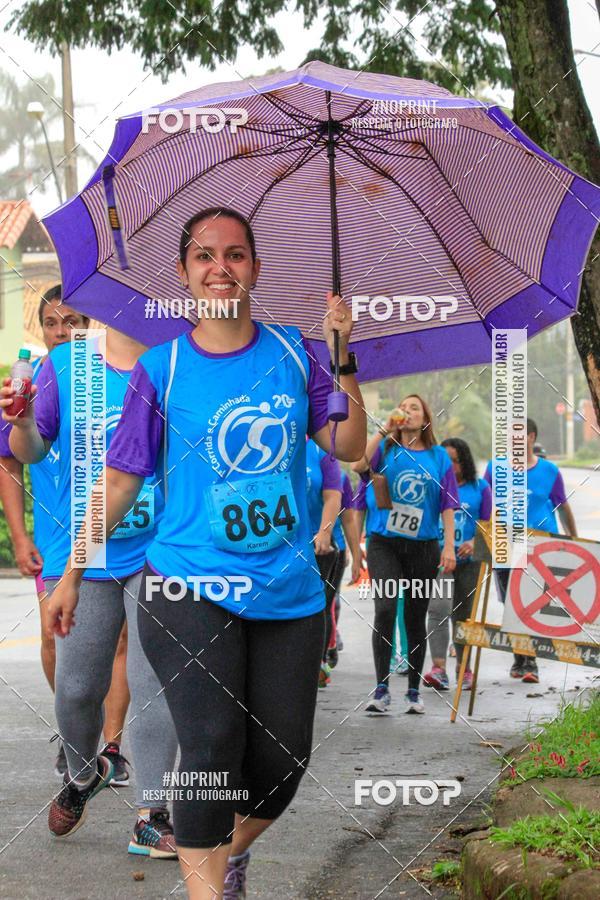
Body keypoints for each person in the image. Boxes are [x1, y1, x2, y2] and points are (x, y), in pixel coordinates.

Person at [38, 207, 366, 899]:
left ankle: (224, 852)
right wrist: (72, 573)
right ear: (186, 273)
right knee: (212, 746)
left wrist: (343, 354)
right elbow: (121, 478)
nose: (221, 267)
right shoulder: (163, 368)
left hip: (288, 590)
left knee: (280, 765)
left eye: (236, 255)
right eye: (205, 255)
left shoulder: (292, 352)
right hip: (186, 586)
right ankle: (207, 889)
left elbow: (348, 447)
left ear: (255, 267)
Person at [2, 325, 179, 858]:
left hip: (163, 546)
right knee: (77, 688)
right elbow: (28, 452)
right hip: (80, 549)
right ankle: (85, 773)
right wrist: (25, 419)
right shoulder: (67, 363)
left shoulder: (180, 360)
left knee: (153, 679)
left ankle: (153, 814)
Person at [0, 286, 130, 782]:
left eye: (75, 321)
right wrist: (19, 535)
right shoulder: (32, 383)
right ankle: (79, 737)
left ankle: (112, 747)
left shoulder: (118, 373)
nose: (64, 331)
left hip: (117, 534)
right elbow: (10, 461)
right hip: (57, 540)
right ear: (41, 329)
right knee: (57, 643)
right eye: (54, 322)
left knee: (120, 645)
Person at [353, 396, 459, 715]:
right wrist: (384, 430)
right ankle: (382, 688)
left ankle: (413, 691)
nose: (409, 412)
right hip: (383, 542)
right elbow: (358, 465)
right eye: (404, 407)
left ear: (426, 417)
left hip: (423, 546)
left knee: (415, 617)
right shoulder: (386, 449)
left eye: (416, 408)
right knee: (385, 609)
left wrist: (450, 546)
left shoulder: (439, 457)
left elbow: (448, 505)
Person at [484, 418, 577, 683]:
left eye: (521, 435)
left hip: (540, 547)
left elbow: (563, 505)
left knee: (533, 601)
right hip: (504, 544)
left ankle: (531, 662)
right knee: (512, 603)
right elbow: (485, 502)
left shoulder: (549, 471)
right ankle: (519, 658)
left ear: (532, 438)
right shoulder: (495, 468)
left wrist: (573, 538)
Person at [424, 438, 492, 691]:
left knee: (464, 616)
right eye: (447, 460)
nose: (451, 465)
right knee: (438, 610)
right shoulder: (433, 487)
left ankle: (465, 669)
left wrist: (475, 542)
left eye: (456, 460)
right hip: (440, 561)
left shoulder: (480, 488)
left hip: (470, 562)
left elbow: (489, 525)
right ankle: (438, 668)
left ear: (465, 461)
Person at [305, 437, 342, 686]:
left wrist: (325, 532)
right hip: (270, 545)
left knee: (318, 607)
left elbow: (333, 496)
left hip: (315, 545)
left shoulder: (322, 450)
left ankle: (316, 662)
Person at [326, 471, 362, 668]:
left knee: (329, 605)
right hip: (300, 550)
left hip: (334, 549)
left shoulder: (340, 477)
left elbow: (348, 519)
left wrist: (356, 555)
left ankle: (324, 652)